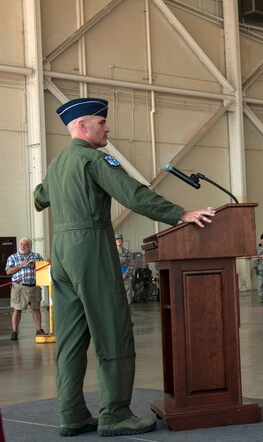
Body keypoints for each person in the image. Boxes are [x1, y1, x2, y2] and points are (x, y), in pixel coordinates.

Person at [34, 97, 214, 436]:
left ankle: (71, 414)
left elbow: (39, 197)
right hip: (90, 248)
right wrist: (181, 214)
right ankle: (115, 414)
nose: (107, 128)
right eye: (101, 123)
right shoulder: (94, 159)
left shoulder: (58, 163)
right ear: (83, 126)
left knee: (71, 338)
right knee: (113, 331)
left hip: (60, 252)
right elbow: (133, 195)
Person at [5, 237, 46, 340]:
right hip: (19, 287)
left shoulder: (37, 256)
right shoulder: (13, 257)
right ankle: (14, 331)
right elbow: (9, 271)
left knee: (36, 308)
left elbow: (44, 269)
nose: (23, 247)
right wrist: (20, 265)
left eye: (26, 245)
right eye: (21, 244)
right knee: (17, 309)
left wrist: (34, 266)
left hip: (34, 286)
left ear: (30, 246)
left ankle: (39, 329)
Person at [115, 234, 136, 304]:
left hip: (126, 276)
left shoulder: (127, 252)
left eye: (120, 239)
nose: (118, 240)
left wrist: (125, 275)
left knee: (128, 294)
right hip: (115, 276)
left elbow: (131, 265)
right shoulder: (111, 252)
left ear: (122, 241)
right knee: (116, 294)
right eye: (117, 239)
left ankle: (128, 311)